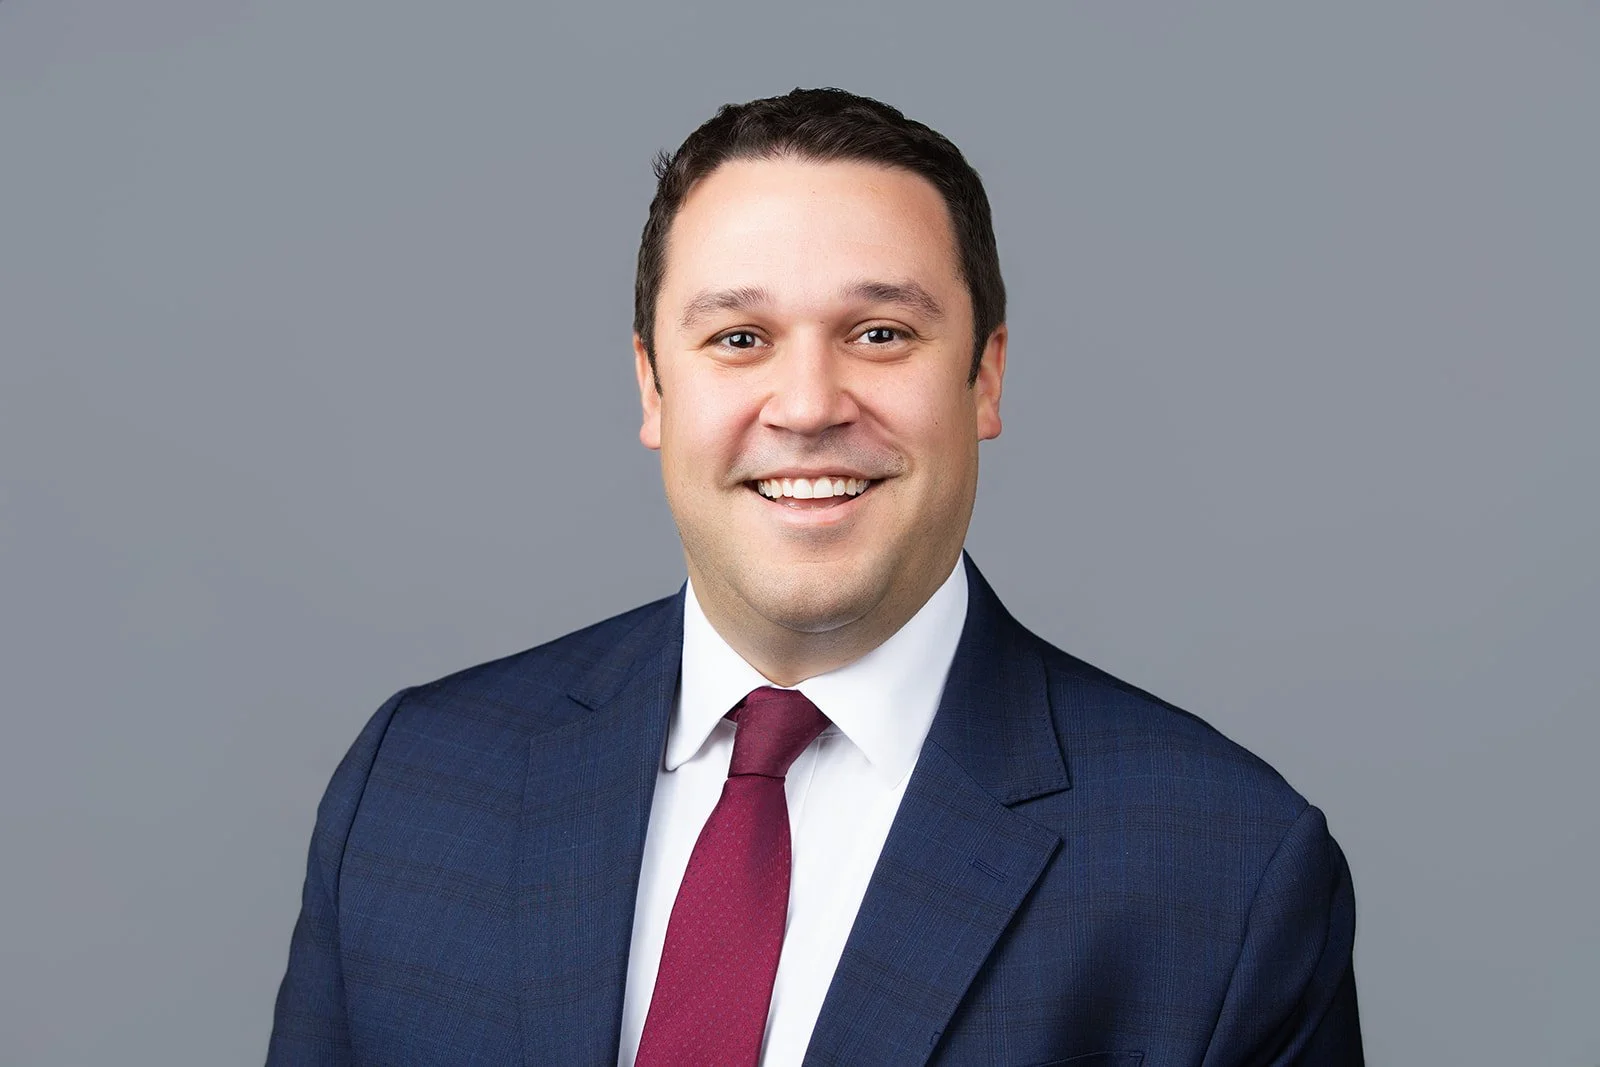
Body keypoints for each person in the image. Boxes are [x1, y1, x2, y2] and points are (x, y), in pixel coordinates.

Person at [268, 87, 1362, 1066]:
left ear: (984, 377)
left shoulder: (1227, 870)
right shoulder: (414, 786)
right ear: (652, 387)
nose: (806, 404)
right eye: (739, 338)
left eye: (879, 333)